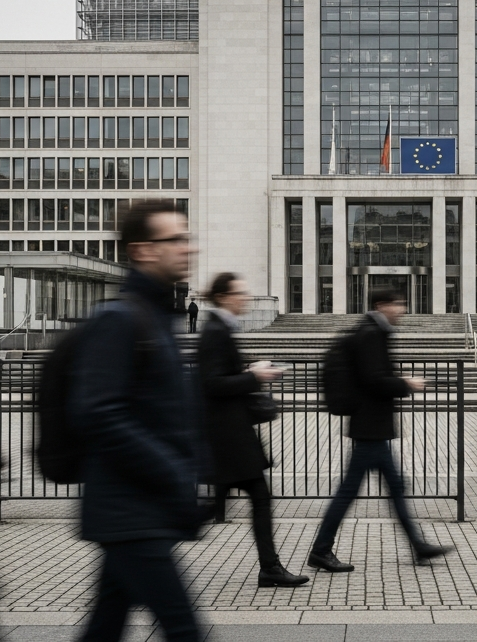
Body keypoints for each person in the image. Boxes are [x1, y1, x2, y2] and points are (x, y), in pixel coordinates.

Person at [74, 199, 207, 642]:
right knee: (184, 630)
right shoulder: (120, 319)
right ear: (142, 250)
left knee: (105, 627)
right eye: (176, 239)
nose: (188, 248)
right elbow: (100, 412)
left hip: (138, 507)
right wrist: (172, 471)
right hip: (131, 508)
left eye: (187, 238)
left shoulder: (155, 317)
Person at [307, 288, 452, 572]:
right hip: (370, 426)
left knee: (392, 488)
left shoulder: (372, 331)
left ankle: (418, 545)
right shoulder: (371, 334)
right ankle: (321, 550)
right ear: (382, 305)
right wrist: (406, 384)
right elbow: (374, 380)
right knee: (351, 492)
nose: (403, 310)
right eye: (398, 304)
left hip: (371, 426)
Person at [199, 271, 309, 587]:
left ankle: (269, 567)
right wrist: (255, 377)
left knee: (223, 500)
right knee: (257, 497)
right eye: (240, 293)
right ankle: (270, 568)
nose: (245, 298)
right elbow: (212, 383)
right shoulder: (216, 332)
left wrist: (250, 369)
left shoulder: (221, 329)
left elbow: (218, 377)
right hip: (229, 437)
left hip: (230, 434)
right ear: (223, 297)